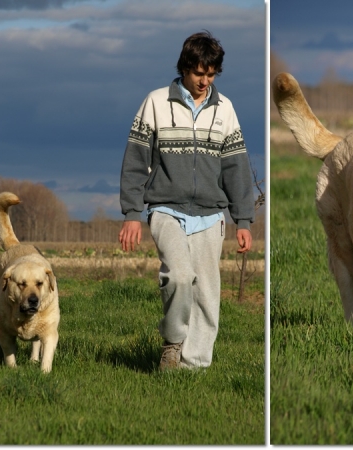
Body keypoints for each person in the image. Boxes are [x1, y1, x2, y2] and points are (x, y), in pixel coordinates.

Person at [118, 31, 254, 370]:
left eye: (211, 75)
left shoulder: (225, 109)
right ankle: (174, 342)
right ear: (185, 68)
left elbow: (236, 166)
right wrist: (132, 213)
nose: (204, 81)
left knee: (207, 295)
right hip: (166, 208)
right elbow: (136, 161)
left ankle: (192, 370)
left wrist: (244, 220)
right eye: (199, 74)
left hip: (211, 215)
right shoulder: (155, 103)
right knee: (179, 276)